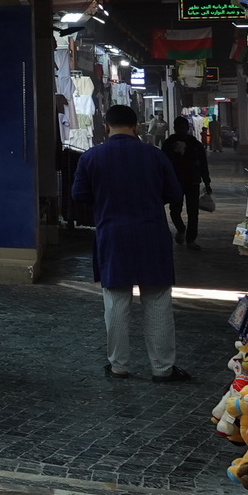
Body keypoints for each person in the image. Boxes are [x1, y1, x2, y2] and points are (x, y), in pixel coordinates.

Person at [71, 104, 192, 382]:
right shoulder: (155, 155)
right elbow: (174, 193)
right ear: (136, 127)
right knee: (157, 301)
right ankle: (162, 369)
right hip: (152, 234)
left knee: (115, 302)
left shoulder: (91, 157)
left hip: (112, 237)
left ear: (106, 127)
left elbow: (79, 195)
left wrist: (105, 199)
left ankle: (118, 366)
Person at [162, 115, 211, 249]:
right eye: (179, 128)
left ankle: (191, 239)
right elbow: (163, 163)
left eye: (183, 128)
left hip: (192, 182)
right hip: (175, 182)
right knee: (174, 210)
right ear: (175, 128)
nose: (181, 130)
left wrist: (207, 182)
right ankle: (181, 228)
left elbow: (203, 164)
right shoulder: (168, 144)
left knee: (193, 212)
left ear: (187, 128)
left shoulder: (195, 144)